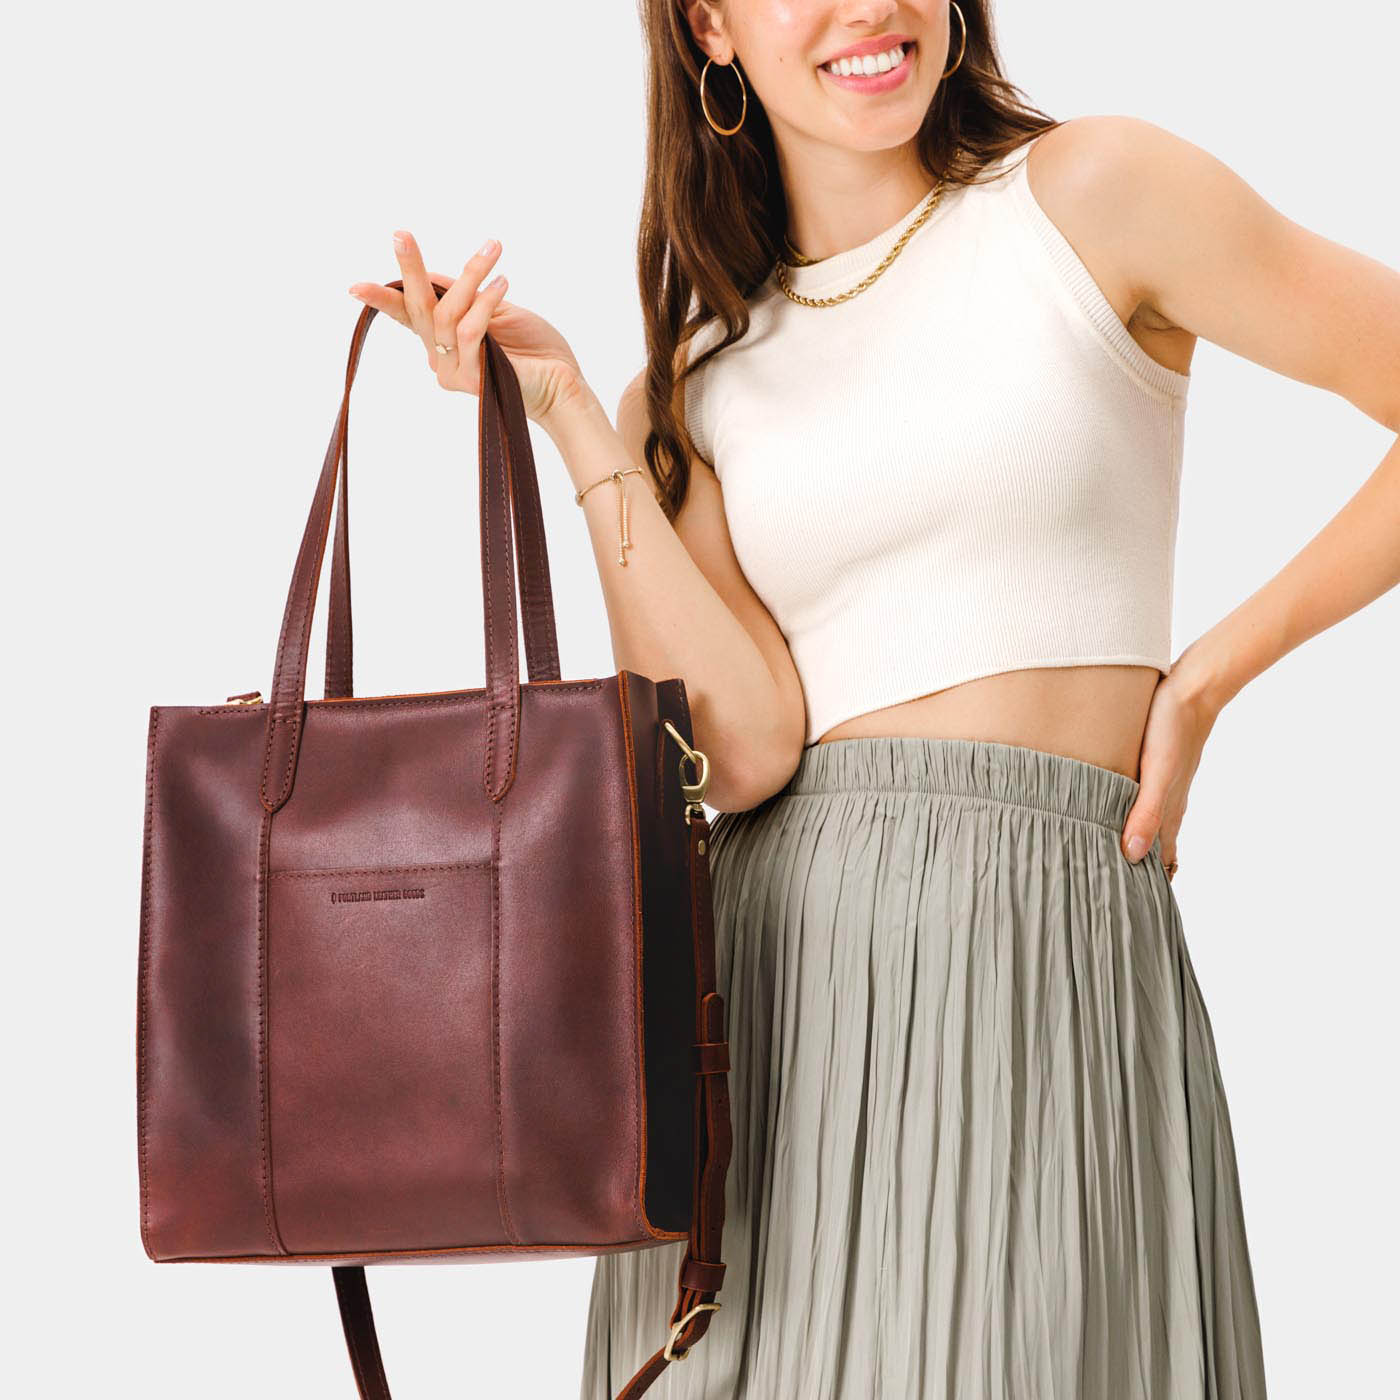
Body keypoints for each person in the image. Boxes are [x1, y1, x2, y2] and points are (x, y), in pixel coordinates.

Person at [346, 4, 1400, 1396]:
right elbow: (743, 750)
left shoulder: (1094, 195)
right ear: (709, 26)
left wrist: (1208, 676)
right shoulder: (691, 384)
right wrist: (572, 414)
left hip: (1035, 959)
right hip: (772, 1012)